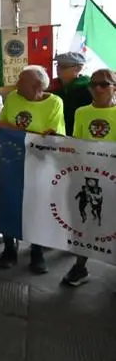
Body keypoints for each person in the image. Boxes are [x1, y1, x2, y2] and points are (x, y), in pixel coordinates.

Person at [0, 65, 65, 273]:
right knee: (8, 205)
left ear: (36, 86)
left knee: (37, 209)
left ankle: (37, 252)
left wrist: (14, 130)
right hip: (11, 161)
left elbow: (51, 137)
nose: (16, 84)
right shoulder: (13, 98)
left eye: (21, 81)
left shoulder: (55, 103)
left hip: (40, 164)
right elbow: (3, 123)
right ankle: (9, 250)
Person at [61, 68, 116, 286]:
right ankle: (80, 266)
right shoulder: (81, 112)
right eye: (93, 85)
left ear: (114, 86)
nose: (98, 89)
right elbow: (77, 144)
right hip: (89, 178)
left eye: (104, 84)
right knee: (86, 223)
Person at [48, 51, 91, 136]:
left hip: (78, 135)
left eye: (63, 66)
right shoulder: (51, 87)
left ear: (78, 68)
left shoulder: (88, 88)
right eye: (58, 65)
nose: (58, 69)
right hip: (54, 134)